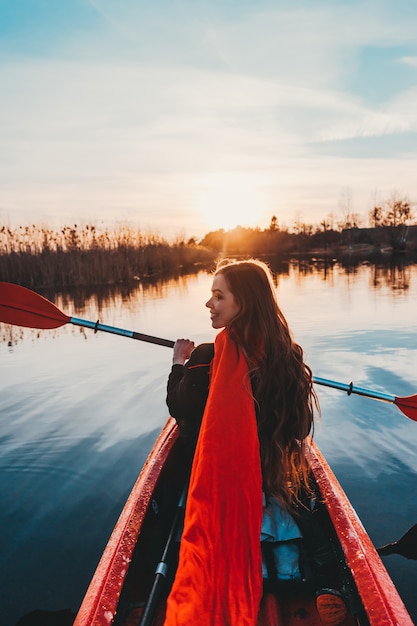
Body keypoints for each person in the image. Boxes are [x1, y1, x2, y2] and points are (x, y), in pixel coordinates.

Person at [164, 258, 346, 626]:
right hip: (276, 475)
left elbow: (178, 405)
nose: (208, 304)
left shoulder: (204, 357)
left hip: (223, 483)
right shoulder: (288, 355)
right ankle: (329, 575)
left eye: (218, 296)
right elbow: (300, 428)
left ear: (242, 303)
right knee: (302, 500)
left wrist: (178, 364)